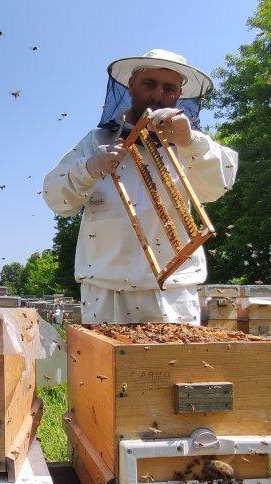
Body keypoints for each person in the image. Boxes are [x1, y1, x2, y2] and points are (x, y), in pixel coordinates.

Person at [43, 49, 238, 324]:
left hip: (173, 291)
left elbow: (221, 183)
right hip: (106, 290)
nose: (158, 95)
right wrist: (89, 167)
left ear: (179, 95)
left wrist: (189, 141)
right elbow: (56, 199)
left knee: (174, 367)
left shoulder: (189, 143)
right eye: (149, 84)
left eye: (169, 88)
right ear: (131, 85)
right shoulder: (94, 142)